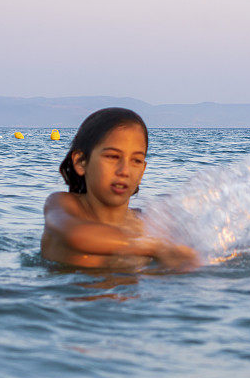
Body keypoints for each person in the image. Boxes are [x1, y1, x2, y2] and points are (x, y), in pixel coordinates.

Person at [41, 107, 199, 271]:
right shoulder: (64, 205)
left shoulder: (143, 222)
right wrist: (152, 248)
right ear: (81, 162)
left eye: (136, 161)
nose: (124, 171)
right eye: (112, 157)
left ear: (142, 171)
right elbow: (75, 234)